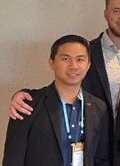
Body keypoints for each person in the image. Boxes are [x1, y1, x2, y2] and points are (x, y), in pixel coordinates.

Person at [8, 0, 120, 161]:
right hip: (96, 141)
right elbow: (64, 84)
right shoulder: (89, 52)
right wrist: (20, 96)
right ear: (106, 14)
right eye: (116, 11)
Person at [3, 35, 110, 166]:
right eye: (65, 59)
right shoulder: (27, 105)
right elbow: (13, 159)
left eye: (80, 59)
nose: (73, 66)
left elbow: (102, 159)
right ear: (51, 62)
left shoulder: (99, 108)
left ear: (88, 65)